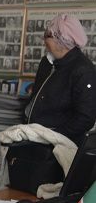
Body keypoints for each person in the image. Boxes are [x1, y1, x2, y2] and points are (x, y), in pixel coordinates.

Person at [24, 14, 96, 145]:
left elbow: (85, 118)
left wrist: (52, 136)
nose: (43, 39)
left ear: (62, 39)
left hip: (59, 147)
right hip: (34, 141)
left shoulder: (83, 69)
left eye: (48, 35)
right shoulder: (46, 62)